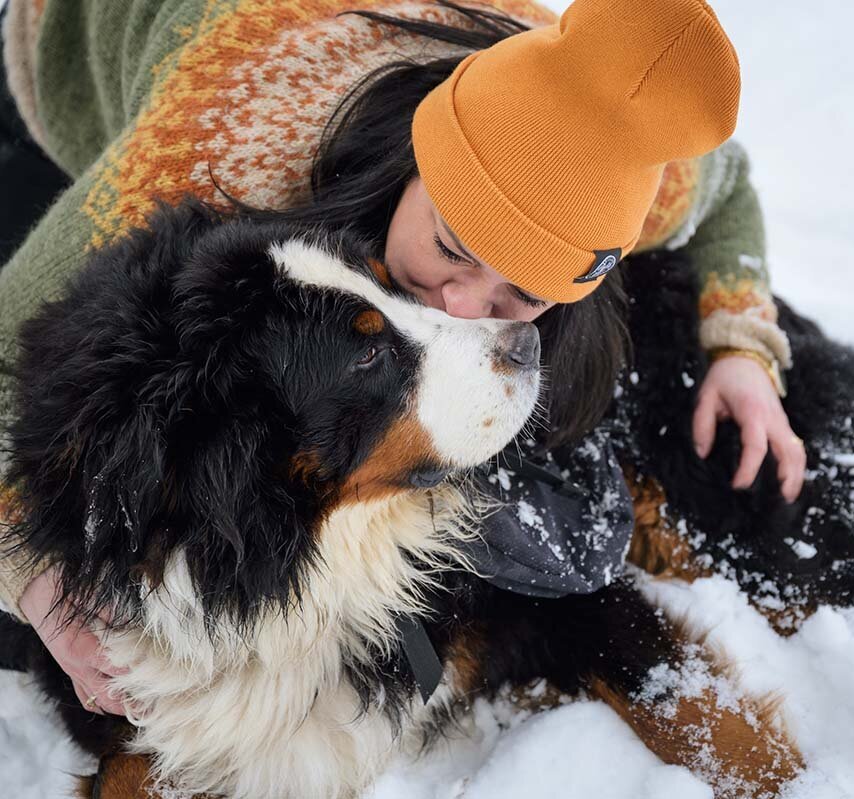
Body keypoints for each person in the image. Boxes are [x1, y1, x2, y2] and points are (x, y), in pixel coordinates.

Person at [0, 0, 805, 717]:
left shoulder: (623, 158)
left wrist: (741, 346)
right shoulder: (223, 152)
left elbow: (728, 191)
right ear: (411, 161)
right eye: (451, 246)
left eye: (517, 294)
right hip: (71, 46)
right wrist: (38, 580)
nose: (460, 307)